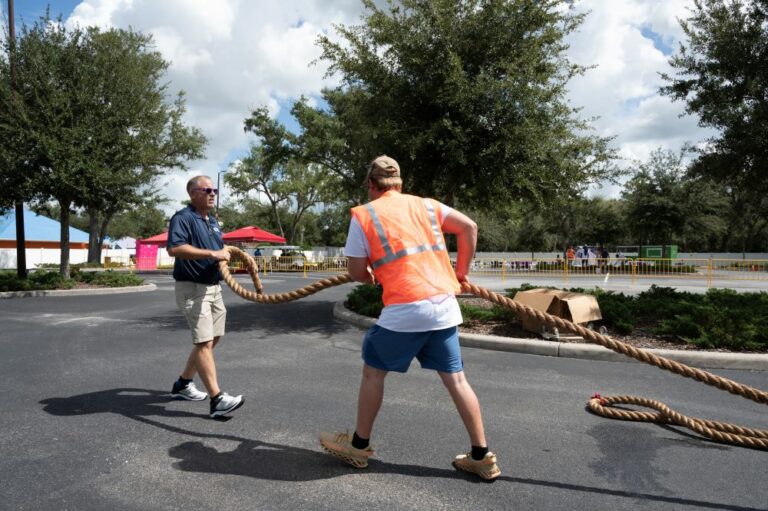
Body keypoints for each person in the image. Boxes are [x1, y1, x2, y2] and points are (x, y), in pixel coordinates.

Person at [319, 155, 500, 480]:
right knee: (457, 380)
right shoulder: (426, 206)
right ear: (400, 184)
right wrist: (461, 274)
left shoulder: (364, 215)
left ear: (371, 185)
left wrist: (372, 275)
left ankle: (359, 447)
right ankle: (482, 456)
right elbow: (469, 227)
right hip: (444, 306)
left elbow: (357, 272)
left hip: (405, 309)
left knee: (373, 373)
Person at [166, 175, 244, 419]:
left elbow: (219, 252)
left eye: (215, 190)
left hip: (213, 288)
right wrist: (212, 253)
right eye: (207, 190)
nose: (213, 194)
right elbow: (175, 248)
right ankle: (217, 399)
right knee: (203, 342)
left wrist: (227, 256)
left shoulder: (213, 221)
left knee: (214, 338)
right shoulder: (183, 218)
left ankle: (183, 384)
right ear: (193, 194)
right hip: (192, 288)